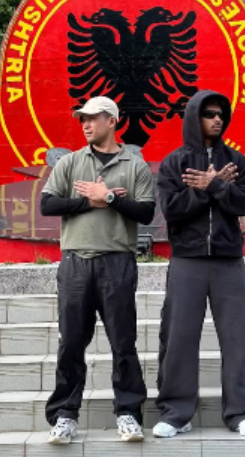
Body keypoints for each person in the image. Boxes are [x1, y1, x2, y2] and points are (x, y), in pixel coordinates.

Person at [40, 96, 155, 444]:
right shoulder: (70, 162)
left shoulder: (135, 165)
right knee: (71, 342)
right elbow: (47, 204)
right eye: (82, 119)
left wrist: (111, 198)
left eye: (92, 118)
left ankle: (128, 414)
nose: (86, 124)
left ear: (112, 120)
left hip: (117, 262)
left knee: (123, 342)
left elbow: (146, 213)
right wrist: (87, 201)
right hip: (75, 262)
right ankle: (64, 415)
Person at [154, 89, 245, 439]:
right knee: (179, 336)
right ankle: (176, 414)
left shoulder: (237, 161)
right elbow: (172, 210)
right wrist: (205, 189)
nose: (217, 119)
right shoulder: (174, 163)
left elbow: (244, 204)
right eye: (209, 114)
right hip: (187, 260)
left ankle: (242, 412)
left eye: (221, 114)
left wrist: (215, 185)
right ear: (194, 117)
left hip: (228, 260)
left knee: (240, 336)